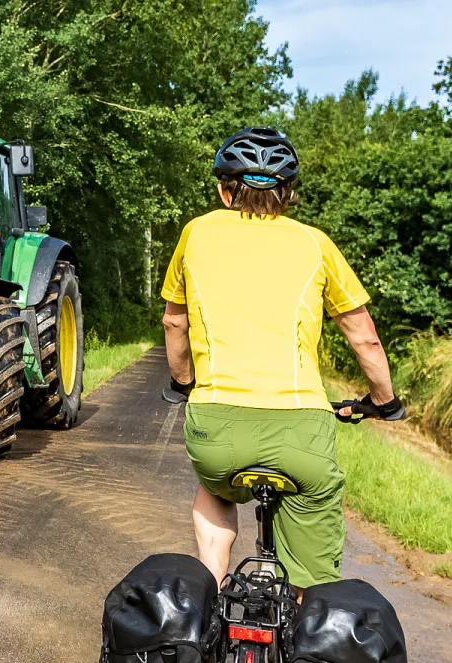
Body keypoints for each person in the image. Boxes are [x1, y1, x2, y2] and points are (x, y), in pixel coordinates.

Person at [161, 126, 404, 591]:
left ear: (223, 191)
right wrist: (383, 402)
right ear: (289, 195)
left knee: (216, 488)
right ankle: (301, 621)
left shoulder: (196, 233)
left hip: (218, 430)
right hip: (302, 433)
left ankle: (211, 595)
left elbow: (175, 323)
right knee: (311, 579)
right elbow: (365, 338)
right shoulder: (316, 243)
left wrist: (183, 382)